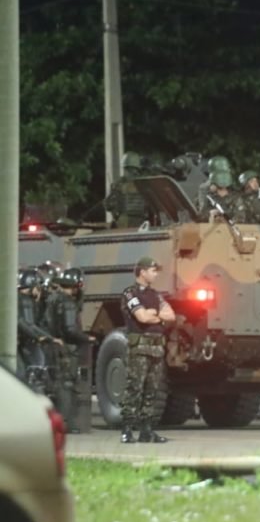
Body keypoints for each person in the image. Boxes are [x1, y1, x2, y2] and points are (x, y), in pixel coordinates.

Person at [120, 257, 176, 443]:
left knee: (152, 390)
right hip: (140, 348)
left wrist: (156, 316)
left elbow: (171, 315)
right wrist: (157, 316)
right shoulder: (130, 293)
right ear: (142, 272)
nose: (156, 274)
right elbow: (142, 317)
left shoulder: (156, 295)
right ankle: (127, 429)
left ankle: (147, 430)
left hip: (156, 349)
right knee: (134, 388)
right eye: (153, 270)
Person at [48, 268, 96, 433]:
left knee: (57, 385)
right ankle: (66, 422)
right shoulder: (68, 303)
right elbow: (70, 329)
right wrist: (86, 338)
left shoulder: (53, 299)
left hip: (54, 346)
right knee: (67, 385)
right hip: (68, 349)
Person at [16, 268, 57, 386]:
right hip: (23, 342)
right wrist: (43, 337)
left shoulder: (15, 297)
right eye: (37, 287)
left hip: (18, 342)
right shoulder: (25, 301)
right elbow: (27, 324)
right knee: (37, 364)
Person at [103, 151, 149, 227]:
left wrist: (115, 214)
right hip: (141, 222)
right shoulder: (144, 184)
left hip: (123, 222)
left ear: (124, 167)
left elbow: (107, 205)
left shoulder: (118, 185)